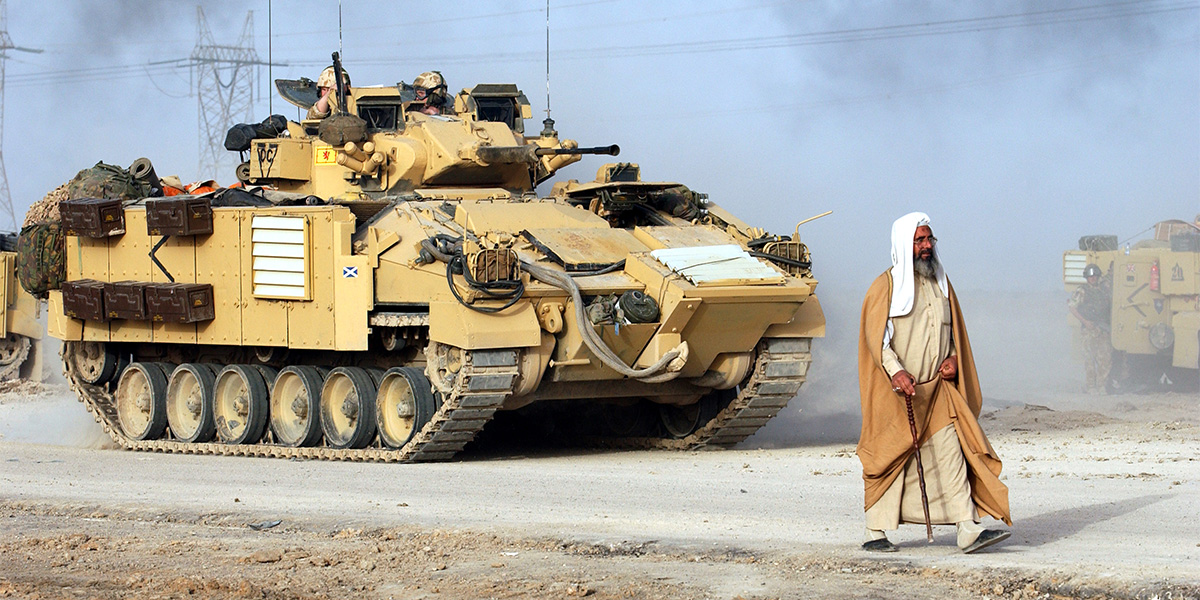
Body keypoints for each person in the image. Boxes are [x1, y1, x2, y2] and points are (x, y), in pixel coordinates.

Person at [856, 212, 1012, 553]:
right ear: (904, 244)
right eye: (920, 240)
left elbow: (955, 333)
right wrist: (895, 371)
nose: (927, 247)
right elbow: (876, 341)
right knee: (889, 456)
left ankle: (967, 528)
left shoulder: (942, 284)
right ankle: (875, 530)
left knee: (951, 451)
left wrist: (954, 358)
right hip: (900, 392)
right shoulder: (885, 287)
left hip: (939, 391)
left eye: (929, 240)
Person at [1068, 263, 1113, 394]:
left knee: (1105, 359)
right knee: (1089, 360)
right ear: (1087, 278)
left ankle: (1102, 385)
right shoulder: (1082, 291)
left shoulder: (1104, 289)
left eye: (1095, 276)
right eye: (1090, 276)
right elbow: (1072, 307)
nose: (1093, 278)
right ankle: (1091, 386)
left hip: (1103, 329)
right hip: (1089, 329)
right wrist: (1085, 321)